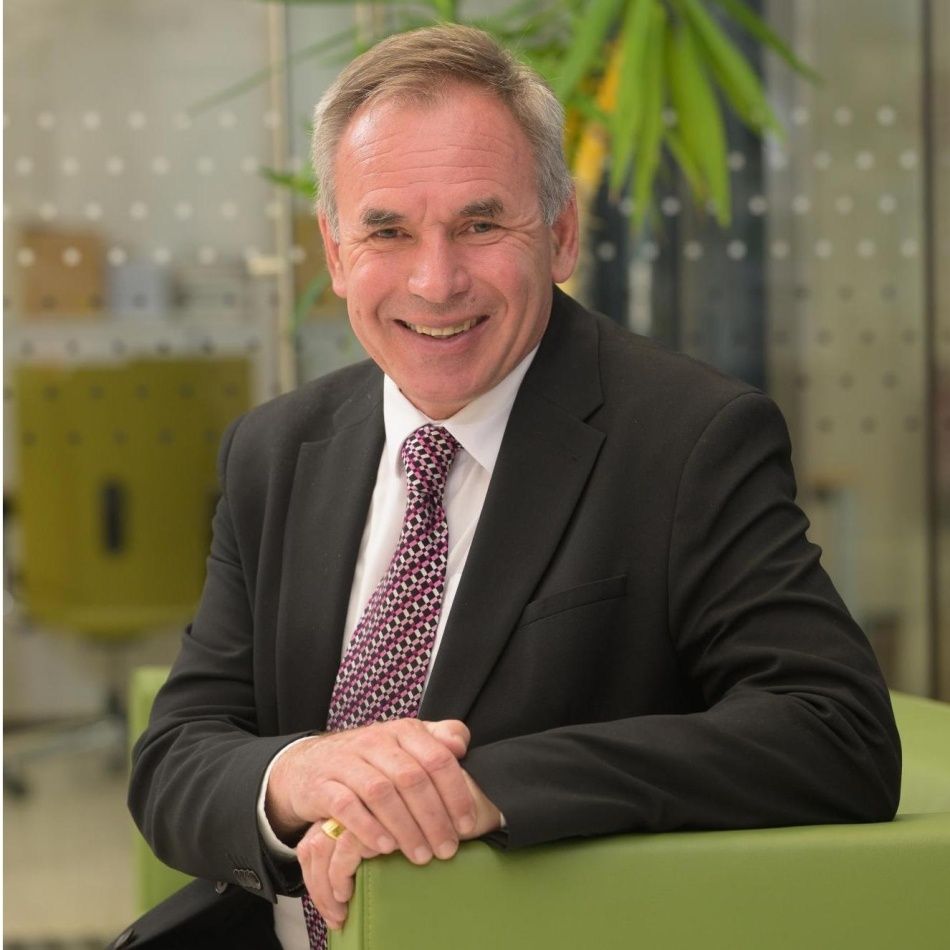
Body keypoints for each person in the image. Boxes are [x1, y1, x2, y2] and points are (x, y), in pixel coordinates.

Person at [120, 23, 900, 950]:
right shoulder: (276, 449)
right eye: (387, 231)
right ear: (334, 251)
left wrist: (478, 789)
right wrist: (302, 775)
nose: (435, 280)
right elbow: (176, 758)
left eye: (480, 225)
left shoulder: (688, 439)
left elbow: (835, 733)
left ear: (561, 234)